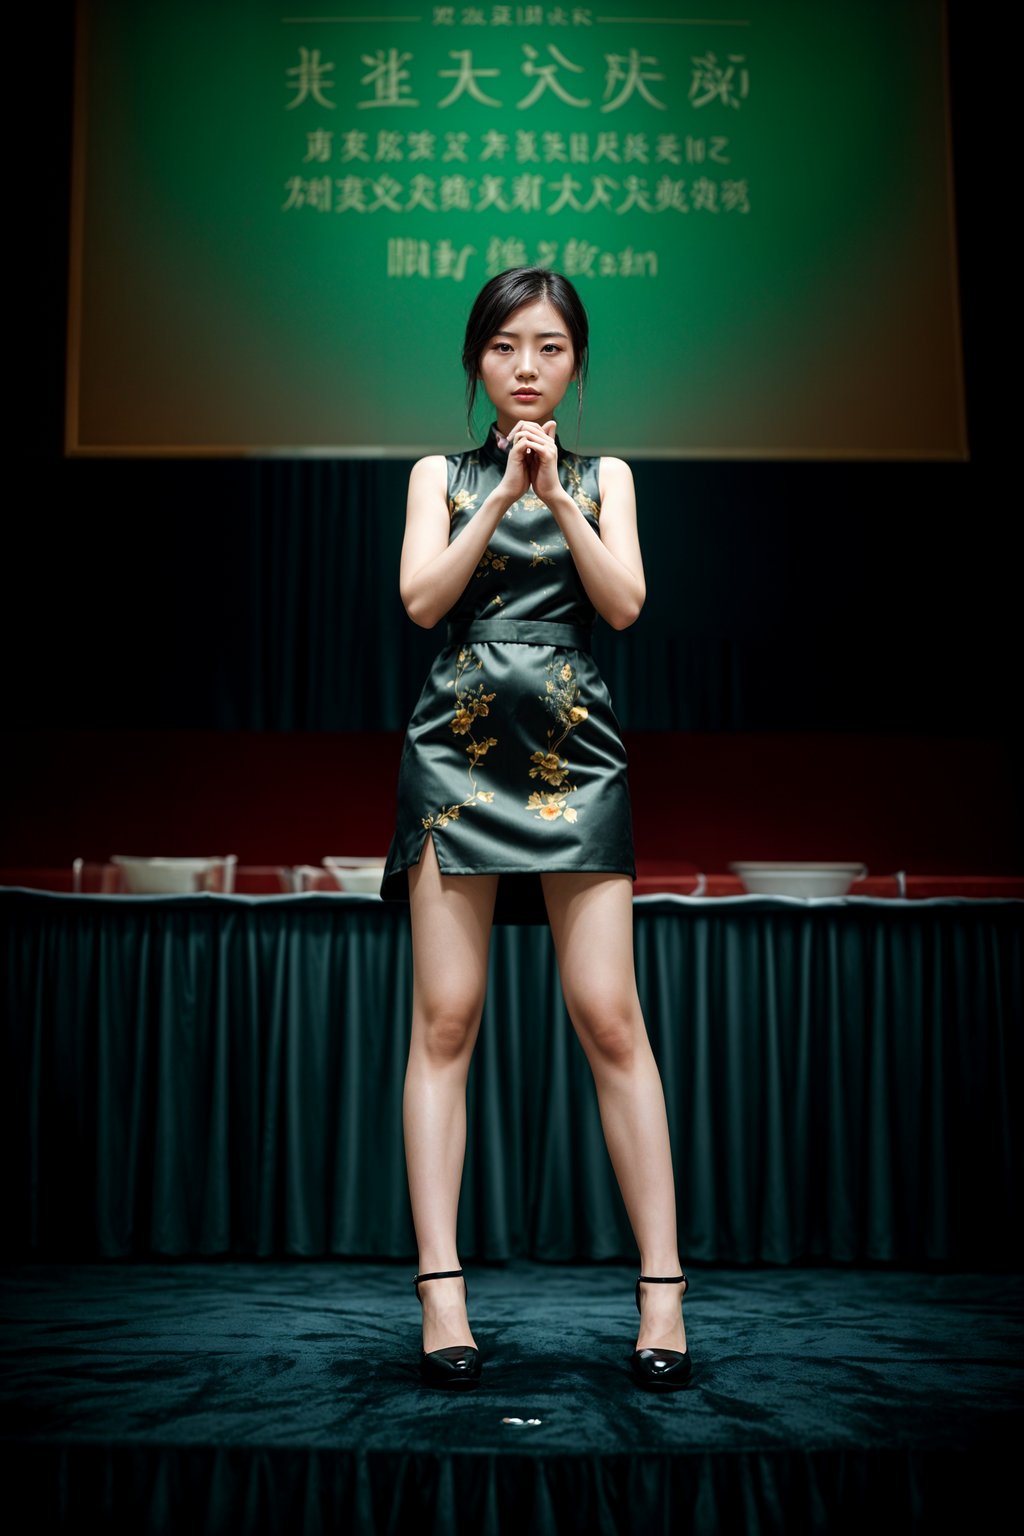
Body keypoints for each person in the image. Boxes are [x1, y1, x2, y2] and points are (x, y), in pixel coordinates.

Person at [380, 266, 691, 1391]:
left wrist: (556, 497)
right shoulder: (437, 474)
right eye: (507, 347)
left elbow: (623, 605)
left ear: (576, 362)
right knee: (445, 1025)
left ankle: (662, 1296)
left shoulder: (606, 475)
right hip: (456, 755)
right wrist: (499, 501)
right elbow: (423, 602)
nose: (526, 368)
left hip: (574, 756)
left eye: (550, 348)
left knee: (612, 1021)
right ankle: (442, 1297)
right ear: (477, 360)